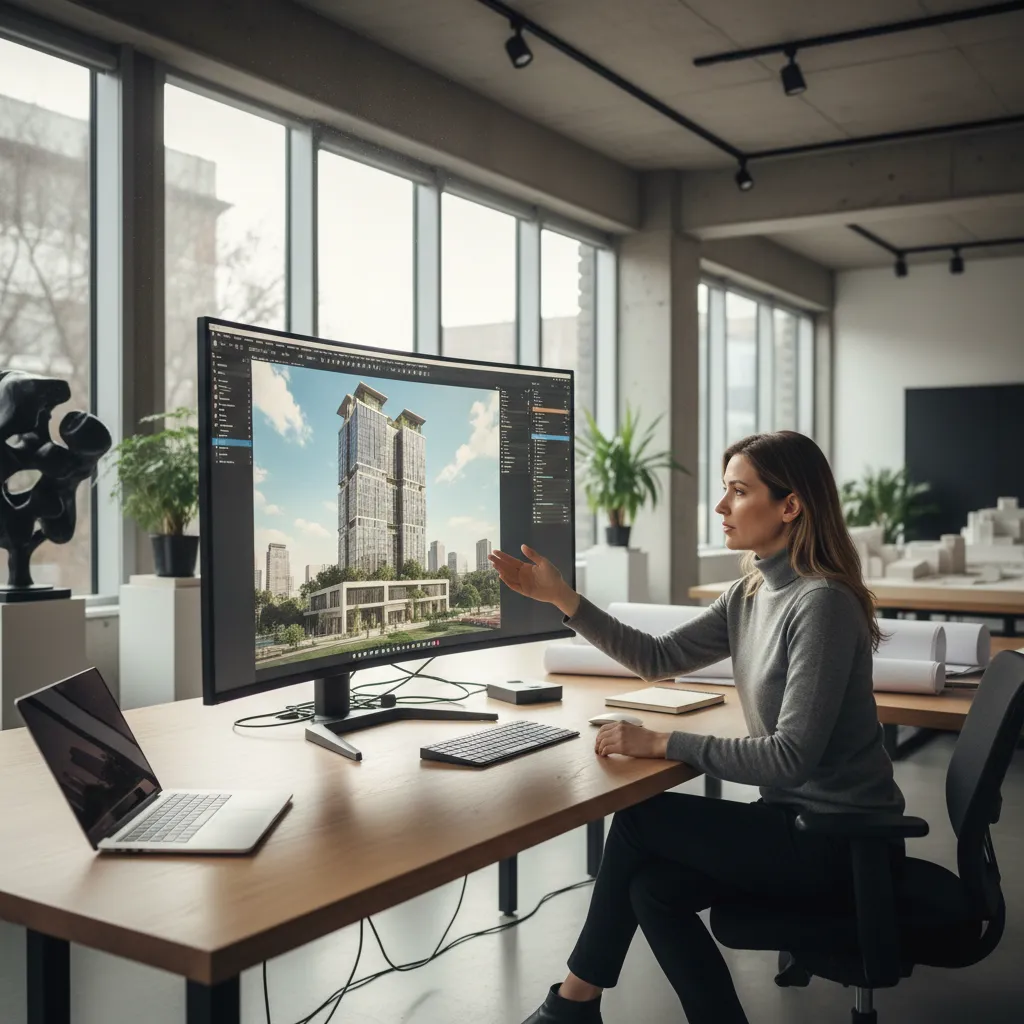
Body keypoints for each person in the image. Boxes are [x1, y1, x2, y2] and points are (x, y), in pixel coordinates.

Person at [488, 430, 906, 1024]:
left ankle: (572, 1005)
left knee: (638, 820)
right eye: (724, 490)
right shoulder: (751, 592)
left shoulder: (822, 603)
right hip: (793, 823)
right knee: (652, 889)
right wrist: (563, 598)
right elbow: (657, 657)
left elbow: (791, 758)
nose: (721, 507)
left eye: (738, 492)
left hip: (843, 839)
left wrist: (661, 742)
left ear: (790, 506)